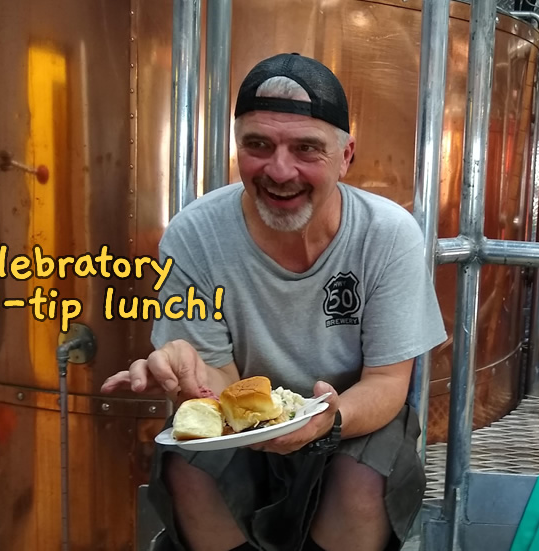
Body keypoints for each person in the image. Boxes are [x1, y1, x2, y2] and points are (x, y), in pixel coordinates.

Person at [100, 52, 447, 551]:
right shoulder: (195, 235)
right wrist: (193, 375)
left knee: (361, 481)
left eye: (307, 148)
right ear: (236, 147)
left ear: (346, 155)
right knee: (192, 468)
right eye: (258, 145)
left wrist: (325, 422)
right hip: (242, 417)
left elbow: (388, 382)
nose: (280, 170)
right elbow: (221, 381)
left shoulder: (387, 235)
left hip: (347, 412)